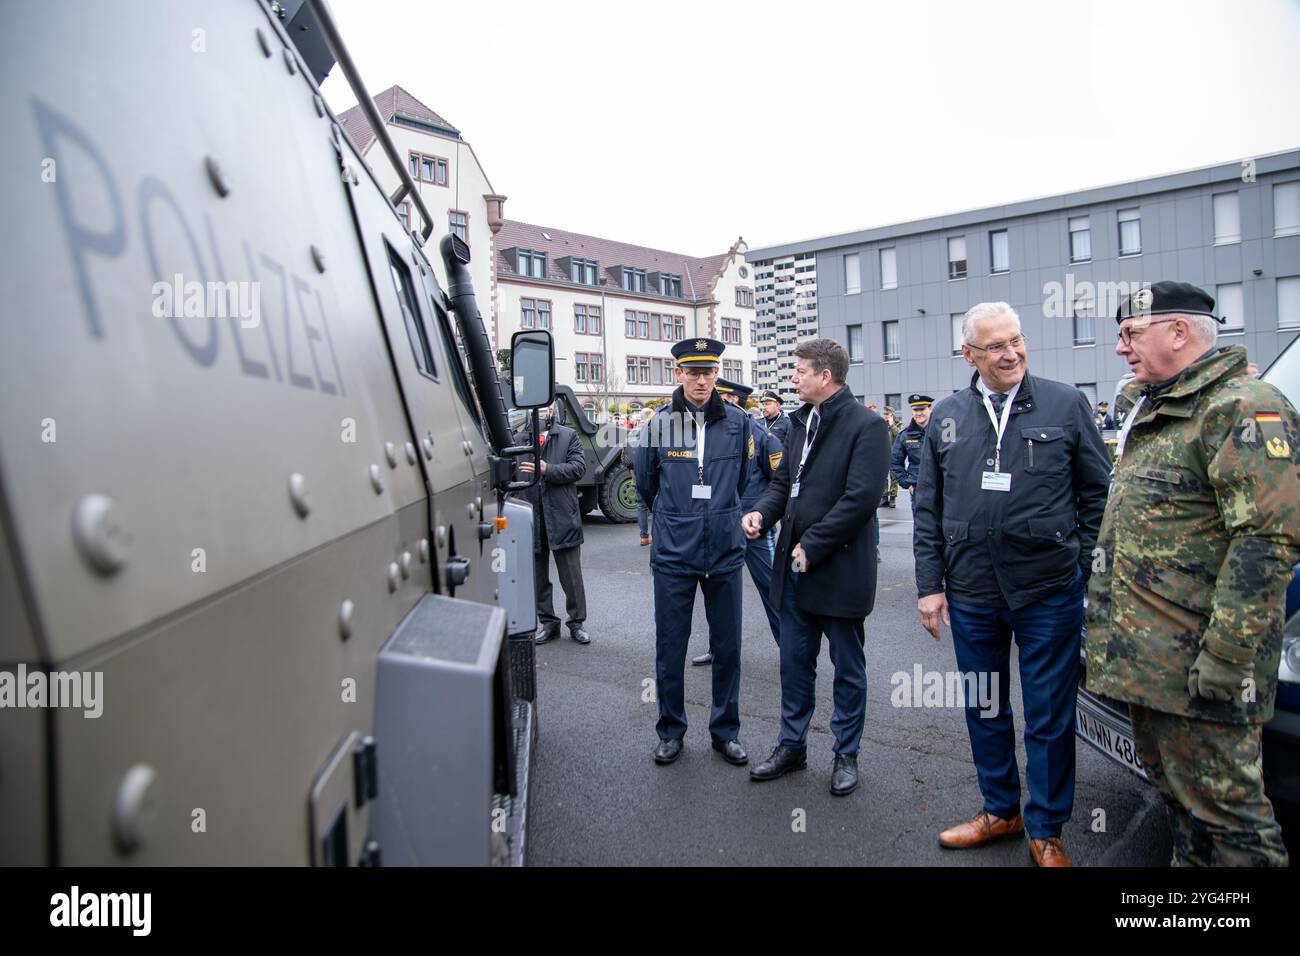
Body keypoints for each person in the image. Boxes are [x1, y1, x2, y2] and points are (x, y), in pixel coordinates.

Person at [1086, 281, 1300, 867]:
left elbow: (1267, 539)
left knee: (1232, 826)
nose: (1120, 349)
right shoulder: (1162, 407)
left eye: (1130, 334)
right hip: (1153, 667)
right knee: (1185, 814)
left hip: (1203, 671)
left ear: (1179, 332)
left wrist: (1228, 656)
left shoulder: (1243, 407)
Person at [913, 302, 1110, 867]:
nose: (1011, 353)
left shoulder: (1066, 403)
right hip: (972, 593)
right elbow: (928, 508)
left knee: (1049, 714)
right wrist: (930, 586)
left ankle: (1046, 828)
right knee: (985, 707)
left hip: (1048, 590)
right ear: (969, 355)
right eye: (996, 345)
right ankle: (1001, 810)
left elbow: (1098, 496)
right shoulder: (947, 415)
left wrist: (1087, 573)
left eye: (1017, 340)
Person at [743, 339, 891, 796]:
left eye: (800, 371)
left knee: (847, 667)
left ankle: (846, 753)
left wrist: (815, 544)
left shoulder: (867, 426)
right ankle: (792, 746)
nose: (793, 378)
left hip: (839, 567)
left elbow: (861, 499)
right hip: (794, 567)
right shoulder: (797, 423)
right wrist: (762, 514)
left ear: (825, 376)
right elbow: (784, 482)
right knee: (794, 663)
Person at [635, 338, 756, 767]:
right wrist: (678, 517)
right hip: (674, 553)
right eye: (694, 372)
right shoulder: (658, 424)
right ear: (678, 374)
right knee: (671, 647)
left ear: (716, 375)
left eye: (709, 372)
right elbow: (646, 483)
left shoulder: (739, 423)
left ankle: (726, 732)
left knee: (728, 646)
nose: (702, 380)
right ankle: (671, 730)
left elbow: (743, 479)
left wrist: (721, 514)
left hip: (724, 549)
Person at [692, 378, 784, 666]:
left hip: (754, 526)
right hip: (722, 525)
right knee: (717, 591)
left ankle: (792, 650)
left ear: (733, 401)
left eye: (722, 397)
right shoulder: (709, 433)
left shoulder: (759, 433)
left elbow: (778, 481)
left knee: (772, 590)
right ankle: (718, 648)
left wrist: (762, 514)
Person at [517, 405, 592, 646]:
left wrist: (548, 469)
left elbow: (579, 469)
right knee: (538, 577)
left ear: (553, 410)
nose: (543, 411)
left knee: (571, 576)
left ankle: (576, 623)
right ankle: (548, 623)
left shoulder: (568, 436)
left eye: (548, 407)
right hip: (532, 516)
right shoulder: (519, 439)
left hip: (562, 516)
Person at [890, 395, 932, 513]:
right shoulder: (905, 435)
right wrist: (906, 483)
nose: (918, 413)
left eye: (922, 409)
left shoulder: (940, 432)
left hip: (942, 488)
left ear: (930, 408)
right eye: (915, 410)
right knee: (921, 526)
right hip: (918, 490)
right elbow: (895, 462)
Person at [623, 407, 656, 546]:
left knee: (641, 505)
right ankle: (657, 535)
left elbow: (624, 456)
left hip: (636, 473)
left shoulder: (631, 432)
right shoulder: (652, 430)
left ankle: (643, 536)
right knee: (656, 505)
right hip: (651, 473)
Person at [881, 406, 903, 508]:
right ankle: (884, 497)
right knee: (883, 477)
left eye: (887, 414)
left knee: (894, 477)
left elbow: (899, 435)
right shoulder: (880, 424)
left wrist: (891, 424)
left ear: (892, 415)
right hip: (883, 453)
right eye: (884, 414)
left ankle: (893, 497)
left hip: (895, 454)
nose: (885, 416)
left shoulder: (898, 424)